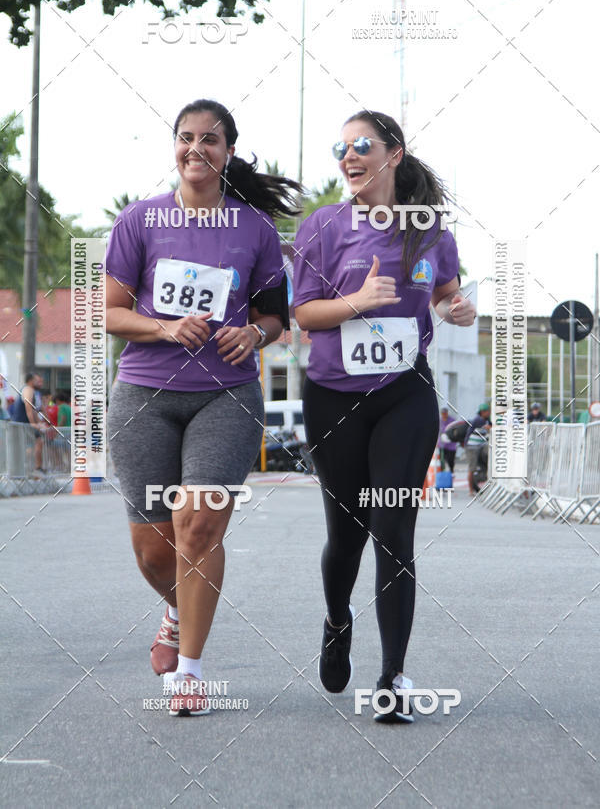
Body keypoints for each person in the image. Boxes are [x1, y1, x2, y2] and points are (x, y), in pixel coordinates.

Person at [106, 98, 299, 717]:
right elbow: (110, 313)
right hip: (144, 394)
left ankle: (189, 671)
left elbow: (275, 317)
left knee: (198, 525)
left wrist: (257, 334)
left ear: (228, 151)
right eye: (186, 137)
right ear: (175, 147)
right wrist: (164, 328)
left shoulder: (254, 229)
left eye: (210, 139)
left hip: (225, 394)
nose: (196, 148)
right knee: (155, 550)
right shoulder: (140, 220)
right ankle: (175, 609)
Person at [293, 109, 476, 723]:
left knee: (393, 528)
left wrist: (456, 307)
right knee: (346, 537)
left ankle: (393, 677)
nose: (349, 157)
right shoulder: (323, 226)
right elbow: (304, 314)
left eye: (363, 145)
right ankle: (337, 619)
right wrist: (356, 302)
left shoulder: (429, 229)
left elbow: (445, 293)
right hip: (334, 398)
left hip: (404, 393)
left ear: (394, 154)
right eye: (341, 148)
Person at [12, 371, 46, 473]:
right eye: (36, 380)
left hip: (23, 423)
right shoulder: (28, 390)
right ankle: (35, 468)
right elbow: (29, 408)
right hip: (23, 423)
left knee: (36, 443)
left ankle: (35, 467)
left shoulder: (30, 390)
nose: (38, 382)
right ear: (31, 381)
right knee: (37, 443)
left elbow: (34, 410)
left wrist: (39, 422)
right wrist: (33, 424)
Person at [463, 403, 492, 496]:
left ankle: (482, 478)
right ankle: (471, 490)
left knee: (487, 461)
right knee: (472, 468)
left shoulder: (486, 420)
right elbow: (490, 428)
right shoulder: (478, 420)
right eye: (488, 411)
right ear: (482, 412)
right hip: (471, 446)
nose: (489, 413)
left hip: (480, 445)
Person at [438, 407, 457, 473]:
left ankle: (451, 472)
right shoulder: (439, 420)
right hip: (442, 444)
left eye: (445, 413)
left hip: (451, 444)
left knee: (450, 460)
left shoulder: (452, 420)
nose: (444, 415)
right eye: (443, 413)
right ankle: (442, 472)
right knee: (441, 460)